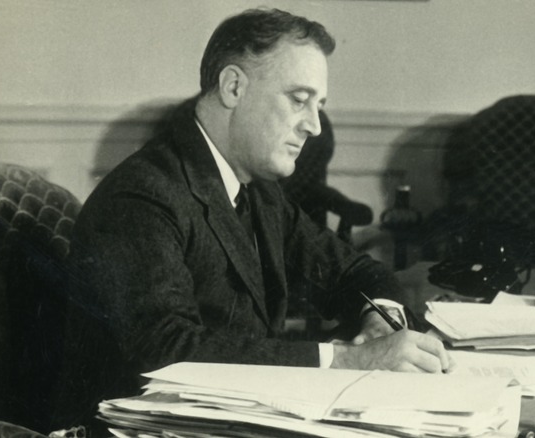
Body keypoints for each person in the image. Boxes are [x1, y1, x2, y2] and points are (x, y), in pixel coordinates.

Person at [53, 7, 451, 433]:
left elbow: (352, 270)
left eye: (319, 105)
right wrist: (347, 359)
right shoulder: (143, 195)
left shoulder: (257, 188)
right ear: (233, 86)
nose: (315, 126)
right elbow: (166, 351)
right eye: (299, 100)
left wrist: (381, 318)